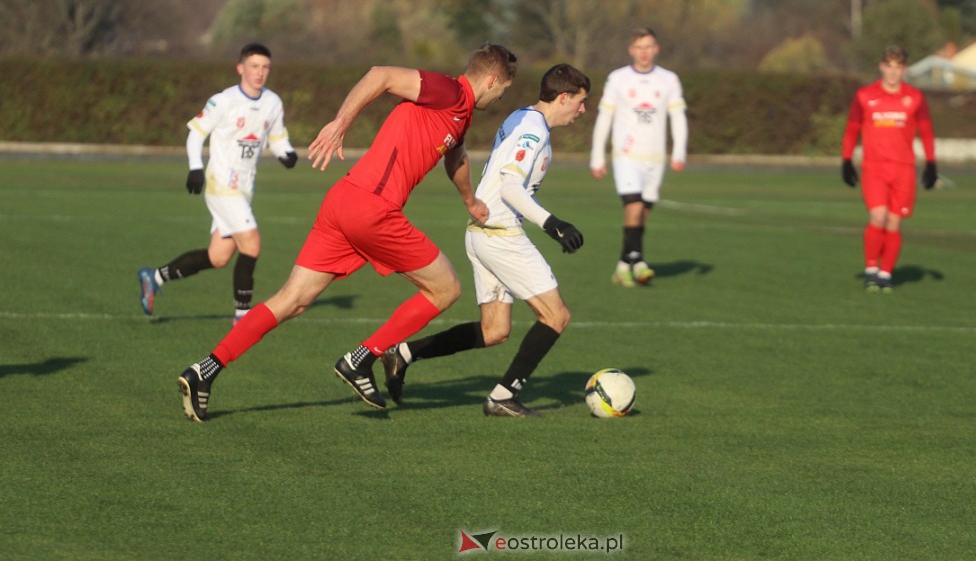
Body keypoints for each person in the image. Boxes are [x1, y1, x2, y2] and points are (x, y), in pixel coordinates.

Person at [176, 43, 518, 423]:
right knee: (446, 288)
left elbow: (454, 155)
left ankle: (203, 371)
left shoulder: (460, 113)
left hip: (343, 202)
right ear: (491, 80)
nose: (501, 96)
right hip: (373, 210)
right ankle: (362, 359)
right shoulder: (449, 91)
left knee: (292, 299)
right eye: (503, 89)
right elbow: (380, 75)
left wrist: (470, 200)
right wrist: (340, 124)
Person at [379, 64, 590, 417]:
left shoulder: (523, 117)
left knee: (494, 330)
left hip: (481, 234)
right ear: (564, 97)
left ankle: (402, 354)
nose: (582, 111)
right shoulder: (533, 131)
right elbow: (510, 186)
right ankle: (503, 396)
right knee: (556, 316)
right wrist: (553, 224)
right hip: (501, 236)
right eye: (581, 102)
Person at [138, 43, 297, 324]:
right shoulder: (222, 101)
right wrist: (195, 167)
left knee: (219, 256)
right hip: (221, 184)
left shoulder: (272, 102)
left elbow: (276, 134)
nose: (260, 73)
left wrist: (286, 152)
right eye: (254, 66)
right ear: (240, 68)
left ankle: (156, 277)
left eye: (265, 67)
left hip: (245, 188)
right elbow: (196, 134)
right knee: (252, 244)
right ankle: (242, 316)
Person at [589, 27, 688, 287]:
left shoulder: (669, 80)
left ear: (657, 49)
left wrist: (678, 151)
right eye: (639, 47)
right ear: (631, 50)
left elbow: (678, 116)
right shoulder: (618, 79)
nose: (644, 52)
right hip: (626, 154)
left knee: (643, 212)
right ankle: (640, 262)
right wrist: (597, 156)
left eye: (649, 47)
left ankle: (623, 266)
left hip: (655, 157)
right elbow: (605, 117)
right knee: (632, 206)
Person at [841, 44, 938, 292]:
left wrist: (931, 162)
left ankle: (886, 274)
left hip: (903, 169)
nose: (893, 72)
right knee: (878, 216)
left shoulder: (915, 98)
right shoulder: (865, 96)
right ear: (881, 67)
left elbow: (926, 131)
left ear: (904, 69)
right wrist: (846, 159)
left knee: (894, 223)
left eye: (898, 67)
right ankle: (871, 269)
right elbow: (852, 128)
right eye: (889, 66)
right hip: (874, 168)